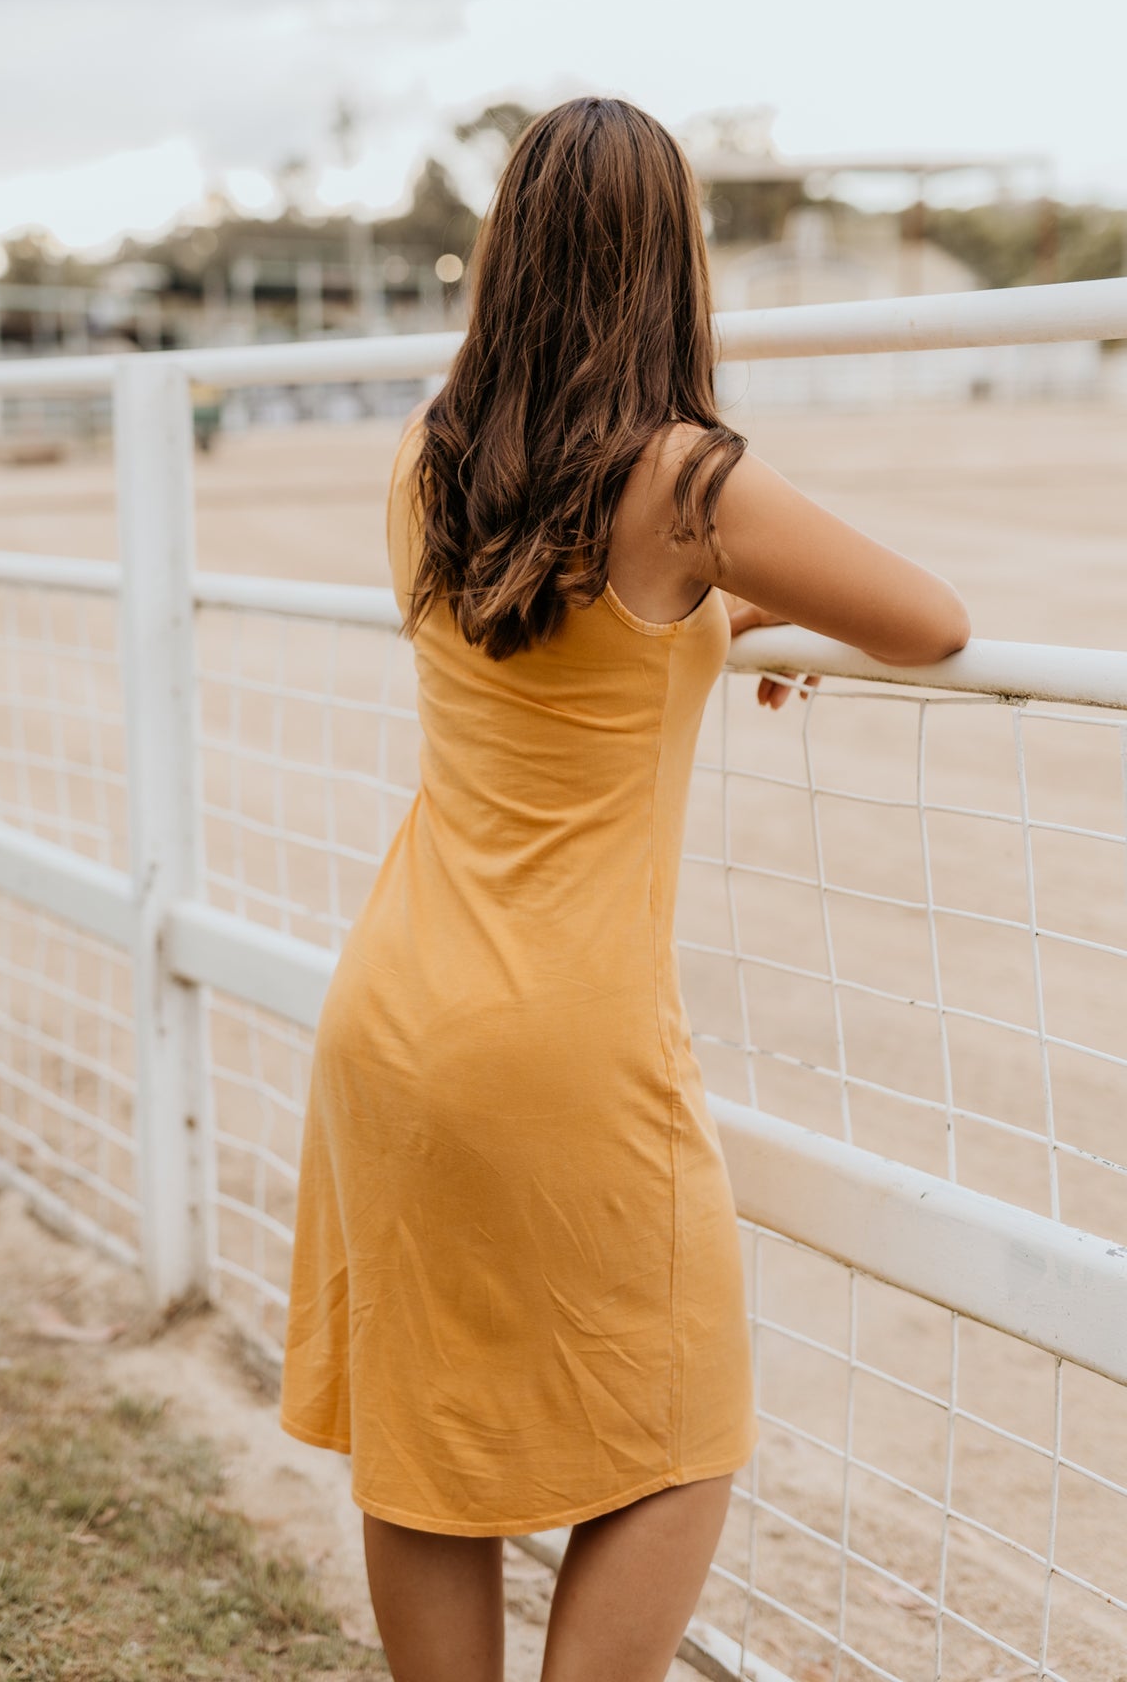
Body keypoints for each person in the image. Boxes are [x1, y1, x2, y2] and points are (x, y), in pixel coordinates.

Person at [279, 96, 970, 1682]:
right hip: (560, 1040)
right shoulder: (686, 486)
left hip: (392, 1005)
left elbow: (560, 658)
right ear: (674, 263)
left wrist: (720, 637)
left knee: (430, 1441)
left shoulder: (431, 455)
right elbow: (927, 619)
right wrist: (740, 614)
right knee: (684, 1423)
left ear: (508, 252)